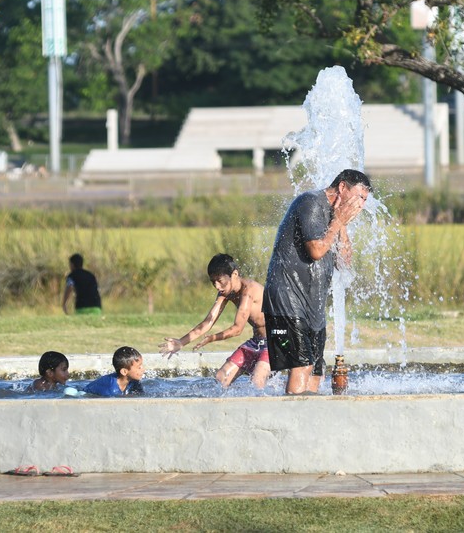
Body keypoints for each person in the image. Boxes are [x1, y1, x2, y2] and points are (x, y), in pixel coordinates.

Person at [263, 169, 371, 394]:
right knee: (302, 364)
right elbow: (316, 250)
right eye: (359, 197)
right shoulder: (310, 203)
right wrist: (338, 221)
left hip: (312, 304)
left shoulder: (336, 218)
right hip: (286, 299)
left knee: (316, 370)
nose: (360, 205)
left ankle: (309, 421)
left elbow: (344, 262)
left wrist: (342, 225)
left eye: (364, 200)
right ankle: (293, 422)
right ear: (342, 188)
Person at [159, 254, 271, 389]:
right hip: (257, 342)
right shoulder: (225, 292)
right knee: (220, 378)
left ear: (234, 274)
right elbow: (208, 322)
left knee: (257, 382)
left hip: (277, 341)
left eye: (220, 281)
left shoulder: (249, 290)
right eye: (213, 282)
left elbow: (237, 329)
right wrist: (181, 342)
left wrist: (212, 338)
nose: (217, 286)